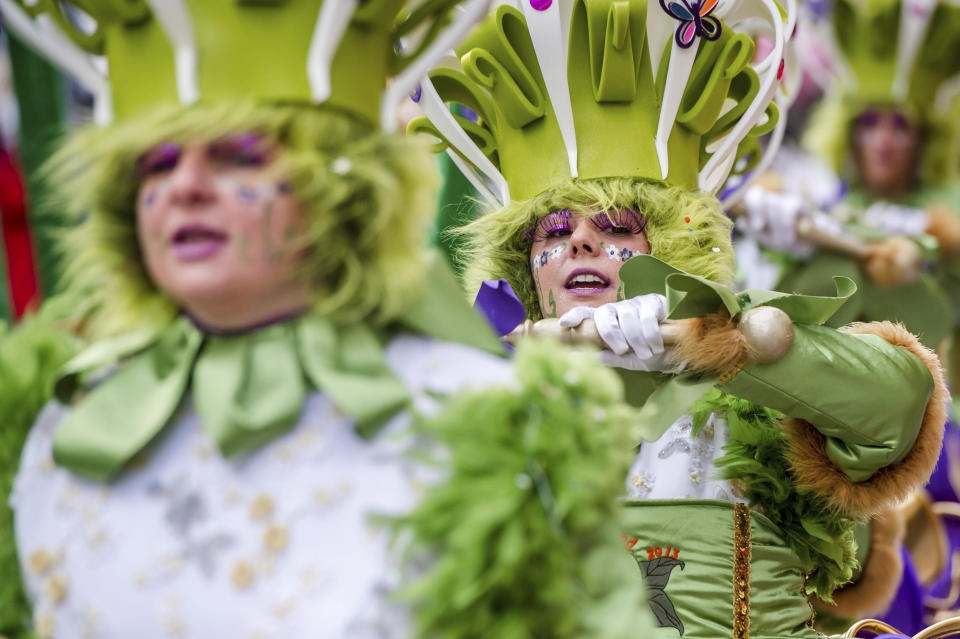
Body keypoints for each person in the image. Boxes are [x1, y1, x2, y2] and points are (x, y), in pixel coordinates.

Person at [0, 3, 656, 638]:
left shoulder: (491, 419)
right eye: (158, 164)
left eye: (238, 155)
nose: (184, 187)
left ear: (344, 180)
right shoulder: (69, 421)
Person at [409, 0, 950, 636]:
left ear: (666, 250)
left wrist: (708, 341)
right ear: (526, 266)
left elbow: (901, 405)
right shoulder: (481, 403)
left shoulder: (751, 396)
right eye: (555, 230)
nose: (581, 242)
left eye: (614, 227)